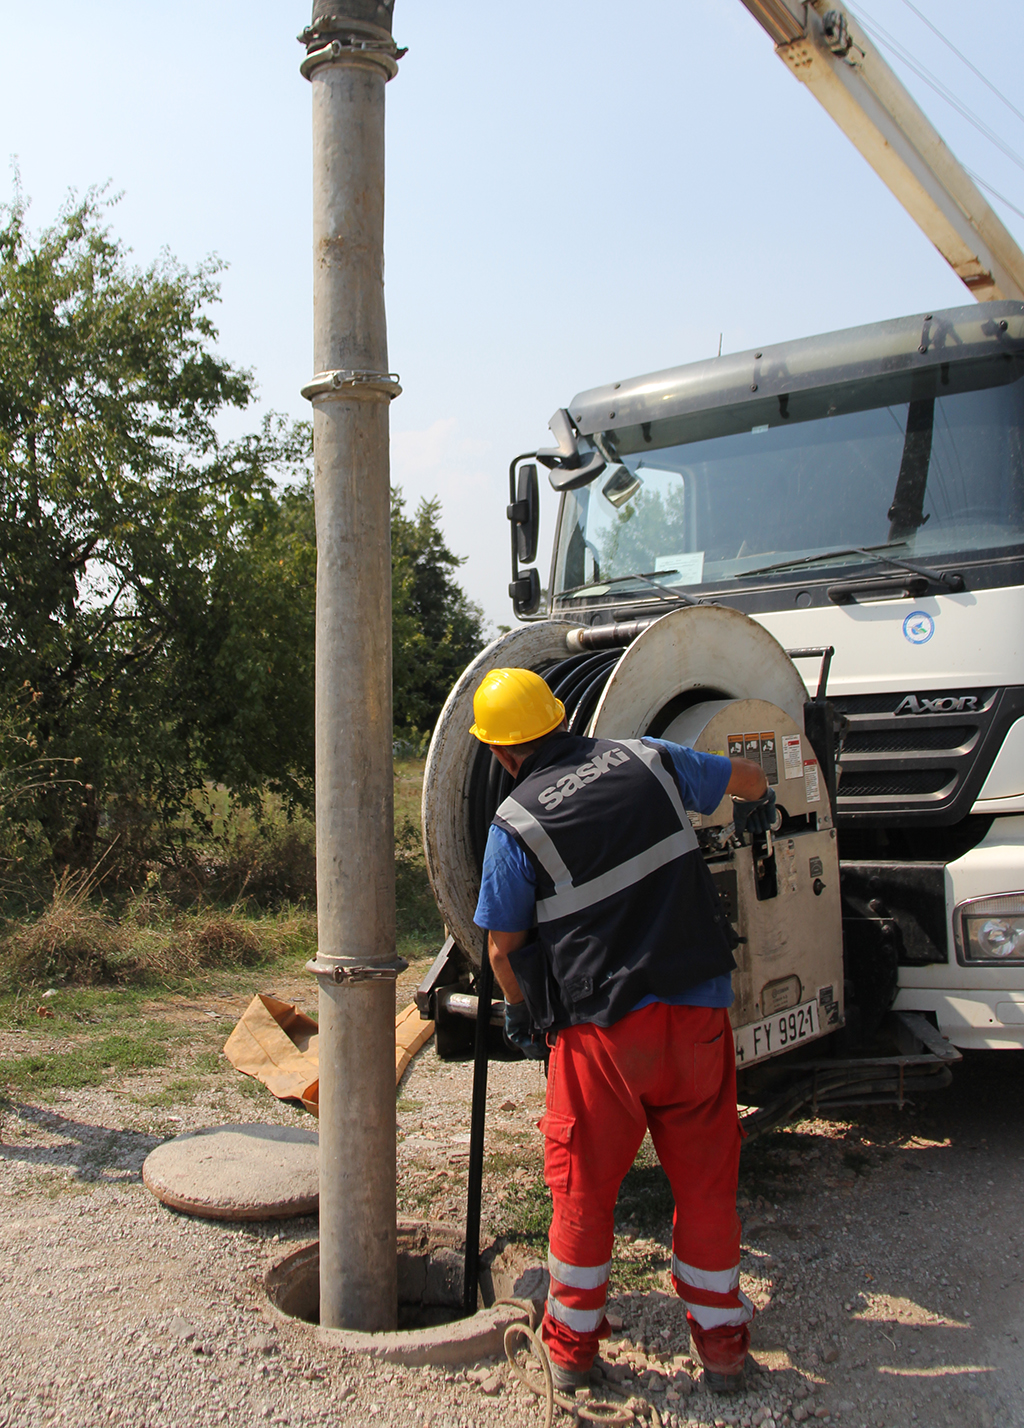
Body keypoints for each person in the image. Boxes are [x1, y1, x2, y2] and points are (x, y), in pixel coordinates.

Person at [470, 666, 776, 1395]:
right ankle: (724, 1350)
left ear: (501, 753)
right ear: (561, 718)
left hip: (602, 1036)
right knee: (706, 1187)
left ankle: (572, 1351)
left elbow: (500, 949)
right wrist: (756, 804)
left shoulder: (515, 825)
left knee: (585, 1192)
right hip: (697, 1013)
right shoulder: (649, 756)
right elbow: (749, 777)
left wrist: (521, 1014)